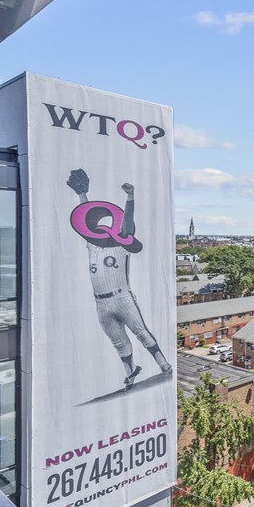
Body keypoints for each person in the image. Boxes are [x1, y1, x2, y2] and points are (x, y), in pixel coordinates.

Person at [67, 168, 171, 391]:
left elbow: (126, 223)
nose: (102, 232)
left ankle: (162, 362)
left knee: (141, 331)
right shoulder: (93, 245)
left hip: (121, 295)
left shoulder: (122, 245)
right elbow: (85, 219)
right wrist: (82, 194)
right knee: (118, 341)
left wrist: (130, 198)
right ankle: (131, 372)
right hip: (101, 302)